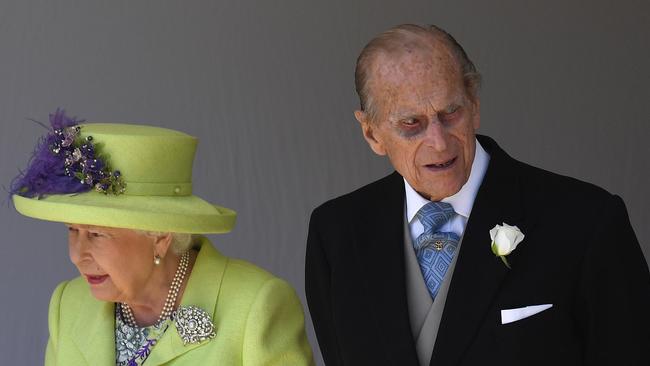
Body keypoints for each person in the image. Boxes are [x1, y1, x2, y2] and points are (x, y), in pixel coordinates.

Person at [305, 24, 650, 365]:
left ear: (474, 105)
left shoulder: (588, 221)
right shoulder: (335, 234)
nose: (439, 143)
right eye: (412, 124)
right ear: (371, 134)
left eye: (450, 113)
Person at [11, 110, 314, 365]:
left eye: (96, 234)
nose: (77, 255)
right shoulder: (68, 304)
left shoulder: (255, 307)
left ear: (160, 236)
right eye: (72, 230)